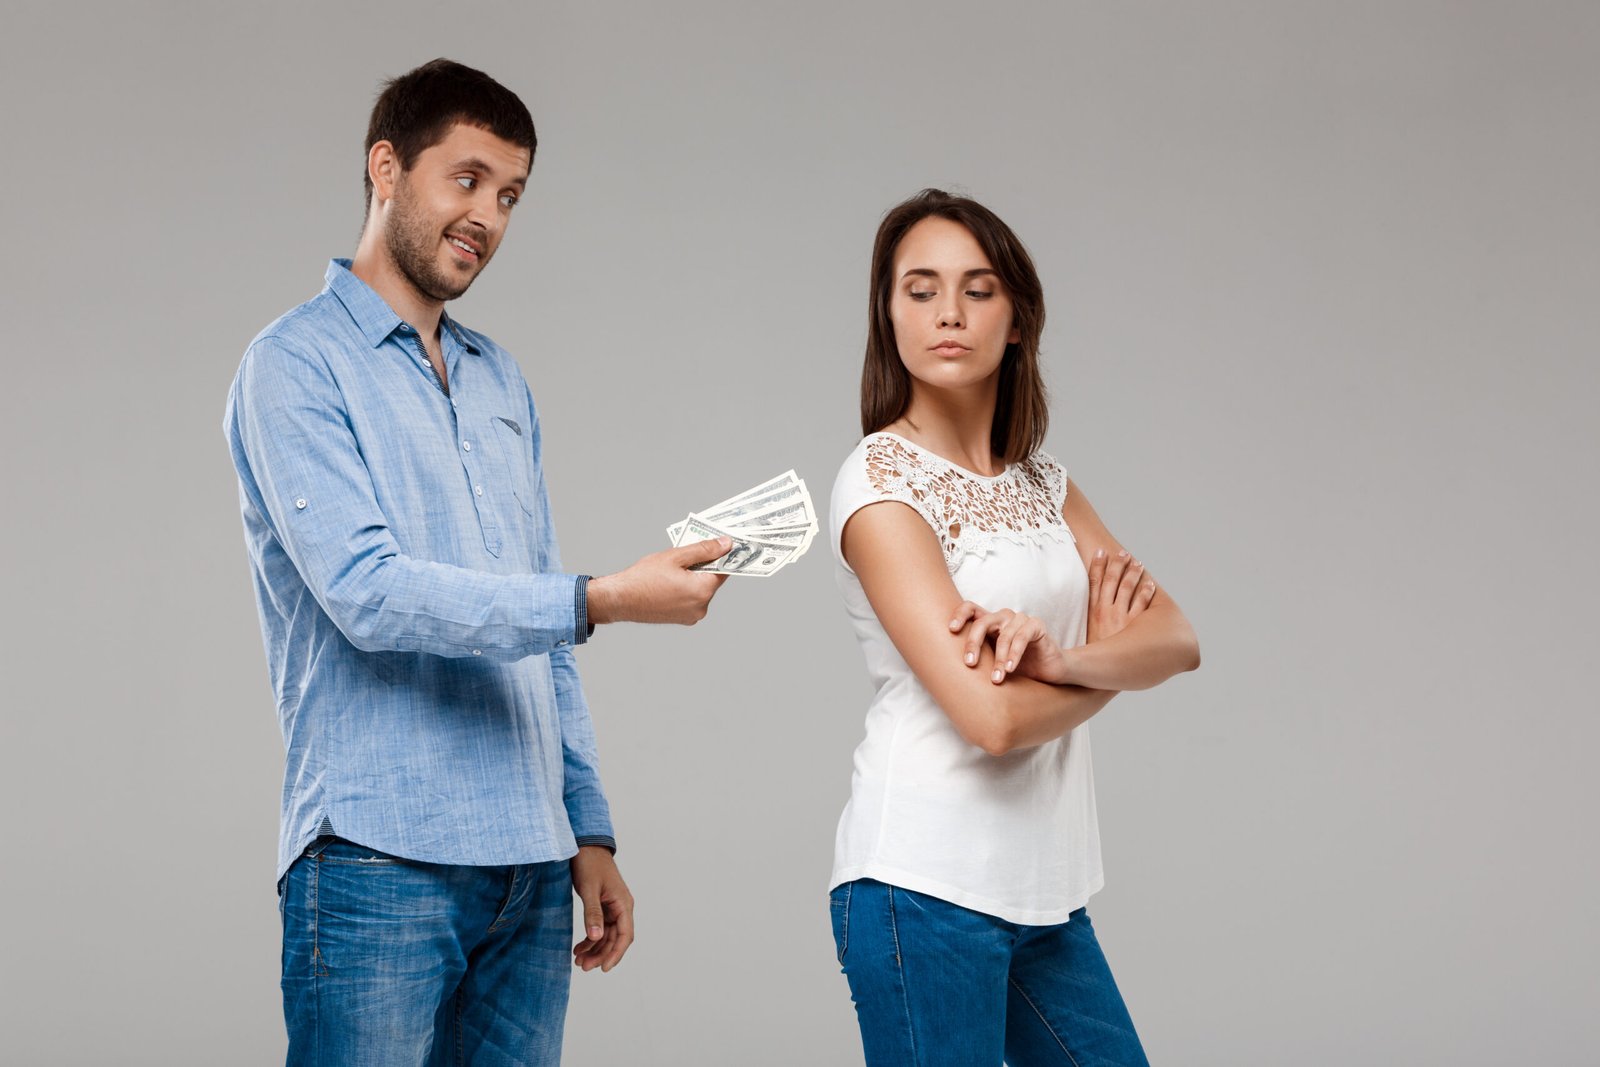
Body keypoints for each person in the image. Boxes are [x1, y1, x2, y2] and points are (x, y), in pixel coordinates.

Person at [223, 59, 731, 1066]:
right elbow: (370, 595)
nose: (487, 216)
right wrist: (606, 596)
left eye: (509, 195)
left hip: (530, 866)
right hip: (377, 858)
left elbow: (535, 623)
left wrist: (589, 827)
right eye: (466, 179)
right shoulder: (292, 366)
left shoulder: (501, 381)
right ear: (386, 168)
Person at [827, 189, 1202, 1066]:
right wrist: (1111, 666)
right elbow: (989, 720)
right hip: (920, 882)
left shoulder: (1045, 483)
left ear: (1019, 318)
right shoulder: (879, 483)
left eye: (977, 288)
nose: (948, 313)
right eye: (919, 289)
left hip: (1046, 890)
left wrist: (1063, 657)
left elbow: (1179, 637)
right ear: (888, 315)